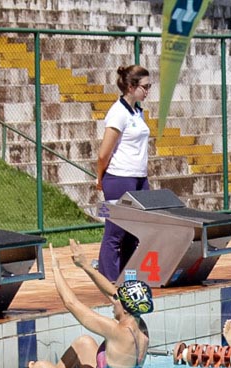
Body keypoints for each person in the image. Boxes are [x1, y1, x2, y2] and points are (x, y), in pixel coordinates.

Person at [28, 240, 152, 368]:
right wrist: (85, 265)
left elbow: (71, 303)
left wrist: (55, 268)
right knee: (84, 343)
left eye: (118, 300)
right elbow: (111, 293)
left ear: (126, 309)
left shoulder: (117, 331)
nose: (114, 301)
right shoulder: (141, 329)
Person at [96, 64, 152, 282]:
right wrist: (100, 177)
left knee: (135, 232)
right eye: (145, 87)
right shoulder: (118, 113)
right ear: (131, 86)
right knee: (116, 231)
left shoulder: (138, 112)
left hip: (138, 178)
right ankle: (109, 281)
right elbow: (103, 154)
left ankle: (128, 279)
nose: (148, 91)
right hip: (119, 178)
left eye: (149, 87)